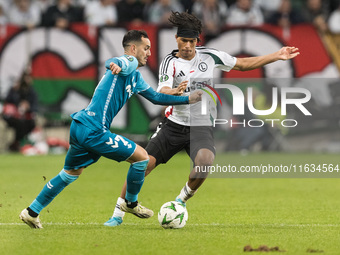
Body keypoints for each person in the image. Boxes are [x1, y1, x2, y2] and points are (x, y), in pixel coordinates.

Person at [104, 11, 300, 227]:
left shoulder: (210, 56)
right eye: (184, 40)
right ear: (177, 39)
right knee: (144, 164)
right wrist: (176, 93)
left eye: (192, 41)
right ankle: (118, 213)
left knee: (205, 163)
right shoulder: (169, 62)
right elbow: (162, 91)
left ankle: (180, 201)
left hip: (201, 126)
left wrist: (276, 55)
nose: (187, 45)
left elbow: (242, 64)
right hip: (173, 125)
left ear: (197, 41)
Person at [19, 29, 202, 229]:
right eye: (146, 48)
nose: (149, 53)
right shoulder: (128, 63)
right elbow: (119, 61)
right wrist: (114, 63)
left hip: (80, 126)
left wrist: (181, 97)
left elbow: (156, 98)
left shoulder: (136, 77)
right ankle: (130, 203)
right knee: (142, 158)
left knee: (70, 173)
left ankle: (31, 212)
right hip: (94, 129)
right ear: (133, 48)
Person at [2, 71, 38, 152]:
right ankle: (16, 143)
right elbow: (8, 102)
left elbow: (34, 107)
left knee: (30, 124)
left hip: (25, 117)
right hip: (13, 117)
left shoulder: (31, 92)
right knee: (19, 124)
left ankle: (17, 143)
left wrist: (28, 107)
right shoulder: (15, 90)